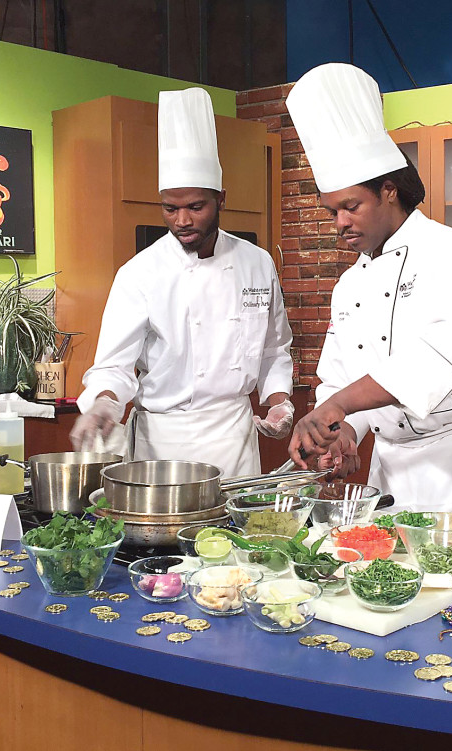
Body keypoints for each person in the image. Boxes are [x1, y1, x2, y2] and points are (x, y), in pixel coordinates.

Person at [284, 63, 452, 525]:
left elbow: (440, 360)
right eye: (332, 212)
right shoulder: (350, 285)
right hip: (399, 475)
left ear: (389, 190)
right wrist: (343, 430)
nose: (340, 223)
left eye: (351, 207)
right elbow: (342, 374)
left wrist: (341, 405)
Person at [70, 87, 294, 476]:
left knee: (235, 536)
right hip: (162, 445)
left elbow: (274, 350)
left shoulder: (257, 264)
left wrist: (279, 402)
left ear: (221, 198)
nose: (182, 221)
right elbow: (113, 365)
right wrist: (106, 402)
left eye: (195, 207)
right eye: (170, 209)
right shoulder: (139, 273)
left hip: (234, 440)